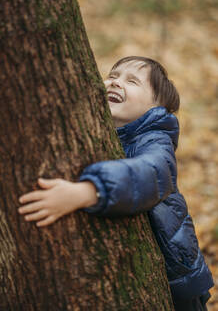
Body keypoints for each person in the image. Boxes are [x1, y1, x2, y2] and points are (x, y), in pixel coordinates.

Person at [18, 56, 214, 310]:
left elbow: (150, 174)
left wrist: (89, 191)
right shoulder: (110, 133)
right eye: (112, 75)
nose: (114, 83)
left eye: (131, 81)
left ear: (156, 107)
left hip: (178, 281)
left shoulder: (155, 141)